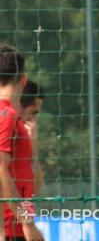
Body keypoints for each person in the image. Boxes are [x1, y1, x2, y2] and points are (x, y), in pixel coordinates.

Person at [0, 45, 43, 241]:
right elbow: (1, 169)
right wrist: (27, 221)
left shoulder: (12, 117)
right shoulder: (6, 115)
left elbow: (28, 186)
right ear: (23, 79)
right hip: (13, 227)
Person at [18, 82, 44, 197]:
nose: (34, 120)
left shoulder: (25, 142)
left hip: (24, 210)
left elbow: (36, 191)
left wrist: (32, 147)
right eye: (33, 112)